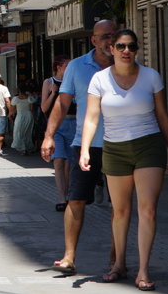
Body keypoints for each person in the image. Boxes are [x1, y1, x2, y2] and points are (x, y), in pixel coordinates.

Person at [80, 29, 168, 290]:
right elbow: (91, 117)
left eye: (131, 46)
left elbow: (163, 115)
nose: (126, 51)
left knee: (147, 209)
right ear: (111, 49)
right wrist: (85, 149)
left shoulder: (151, 76)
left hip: (149, 145)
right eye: (121, 46)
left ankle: (143, 270)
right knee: (120, 210)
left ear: (137, 50)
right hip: (115, 148)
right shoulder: (99, 80)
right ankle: (119, 263)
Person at [42, 19, 117, 276]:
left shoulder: (127, 64)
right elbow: (63, 104)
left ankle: (115, 260)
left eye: (114, 35)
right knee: (75, 200)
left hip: (120, 145)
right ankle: (69, 256)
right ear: (94, 40)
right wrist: (49, 136)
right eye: (105, 36)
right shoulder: (77, 66)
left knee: (119, 206)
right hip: (86, 145)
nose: (111, 41)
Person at [42, 56, 74, 211]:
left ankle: (68, 196)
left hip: (74, 123)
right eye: (68, 65)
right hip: (57, 125)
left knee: (70, 163)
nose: (70, 68)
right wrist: (53, 94)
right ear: (59, 67)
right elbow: (43, 108)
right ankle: (62, 198)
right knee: (58, 161)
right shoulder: (49, 82)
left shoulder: (74, 81)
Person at [11, 83, 37, 155]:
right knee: (27, 132)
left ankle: (23, 148)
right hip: (29, 115)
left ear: (18, 90)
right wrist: (34, 118)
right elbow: (32, 109)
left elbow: (13, 109)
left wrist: (9, 115)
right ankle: (26, 147)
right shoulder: (29, 98)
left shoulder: (16, 99)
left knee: (19, 132)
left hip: (20, 115)